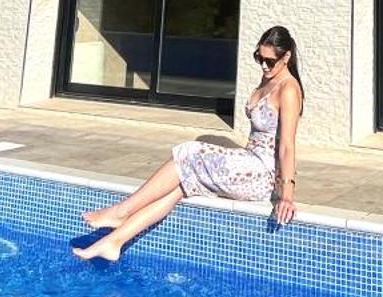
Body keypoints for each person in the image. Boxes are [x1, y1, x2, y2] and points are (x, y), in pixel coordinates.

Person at [73, 24, 304, 261]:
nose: (264, 65)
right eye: (259, 58)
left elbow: (287, 145)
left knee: (190, 150)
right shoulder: (269, 78)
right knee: (177, 187)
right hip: (248, 164)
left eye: (270, 61)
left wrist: (287, 193)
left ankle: (121, 211)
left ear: (286, 57)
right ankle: (113, 242)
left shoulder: (288, 89)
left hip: (263, 175)